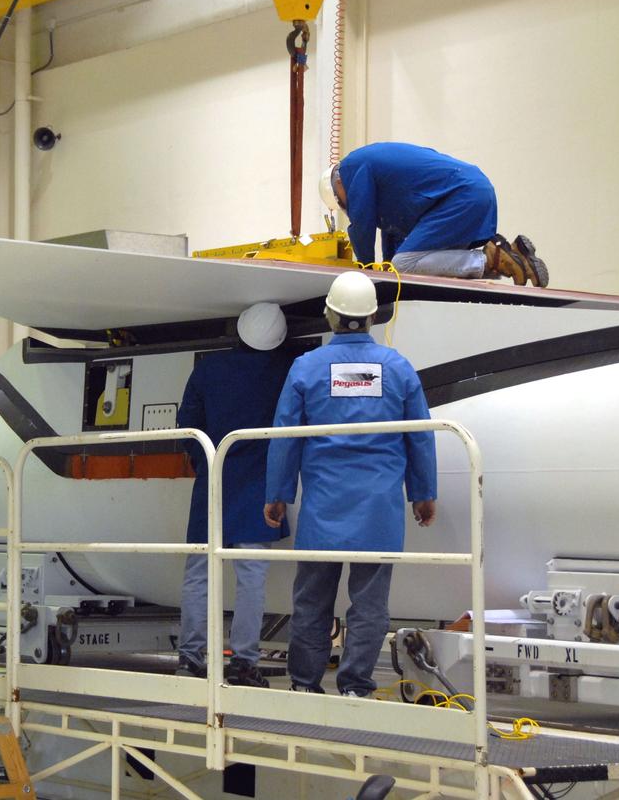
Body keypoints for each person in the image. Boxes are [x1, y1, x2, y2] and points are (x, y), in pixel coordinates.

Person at [263, 271, 438, 697]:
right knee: (370, 603)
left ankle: (305, 684)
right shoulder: (397, 367)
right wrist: (423, 493)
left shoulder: (306, 367)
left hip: (323, 507)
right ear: (374, 317)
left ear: (331, 316)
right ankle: (356, 686)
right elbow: (420, 435)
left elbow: (285, 435)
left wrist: (278, 494)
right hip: (379, 508)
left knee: (312, 600)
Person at [176, 303, 295, 687]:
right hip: (260, 489)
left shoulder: (208, 368)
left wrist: (205, 464)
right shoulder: (286, 371)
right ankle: (244, 663)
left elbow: (188, 427)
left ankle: (190, 658)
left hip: (212, 483)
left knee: (199, 575)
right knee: (251, 579)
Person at [320, 142, 548, 287]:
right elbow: (393, 237)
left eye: (341, 202)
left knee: (404, 263)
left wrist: (365, 275)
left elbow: (362, 225)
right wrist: (388, 276)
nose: (346, 207)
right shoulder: (383, 186)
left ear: (338, 184)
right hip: (473, 190)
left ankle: (492, 259)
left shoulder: (351, 168)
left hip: (461, 195)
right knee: (430, 263)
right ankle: (515, 256)